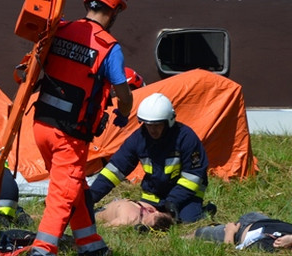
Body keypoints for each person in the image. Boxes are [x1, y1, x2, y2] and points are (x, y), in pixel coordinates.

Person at [27, 0, 134, 256]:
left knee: (75, 188)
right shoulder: (108, 47)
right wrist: (124, 112)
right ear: (115, 10)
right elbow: (122, 92)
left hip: (41, 125)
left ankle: (90, 246)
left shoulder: (59, 30)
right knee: (63, 192)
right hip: (70, 135)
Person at [88, 93, 211, 224]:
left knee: (186, 221)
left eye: (157, 125)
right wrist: (91, 197)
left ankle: (205, 210)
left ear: (169, 121)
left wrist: (173, 201)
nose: (152, 130)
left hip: (187, 194)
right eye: (148, 125)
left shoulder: (186, 138)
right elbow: (115, 169)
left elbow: (193, 176)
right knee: (145, 220)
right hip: (155, 196)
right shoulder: (138, 139)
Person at [191, 212, 292, 252]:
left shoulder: (274, 252)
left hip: (238, 232)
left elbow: (230, 254)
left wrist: (230, 232)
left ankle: (173, 238)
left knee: (199, 234)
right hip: (261, 218)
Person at [96, 199, 176, 231]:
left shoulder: (149, 208)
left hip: (99, 211)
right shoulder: (130, 219)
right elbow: (103, 228)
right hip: (99, 211)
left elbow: (103, 228)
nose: (157, 211)